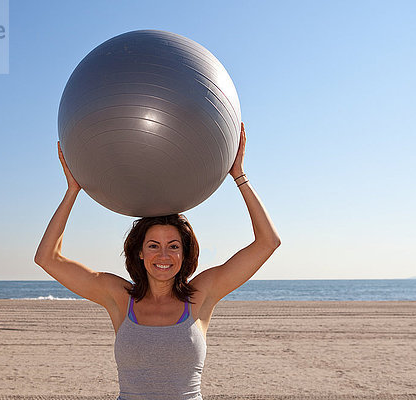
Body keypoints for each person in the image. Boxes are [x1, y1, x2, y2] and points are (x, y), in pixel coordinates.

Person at [34, 122, 280, 400]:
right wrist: (72, 191)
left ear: (184, 254)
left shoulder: (202, 294)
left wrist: (239, 176)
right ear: (139, 252)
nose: (163, 255)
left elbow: (267, 243)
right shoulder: (119, 297)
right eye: (153, 246)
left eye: (173, 246)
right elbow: (47, 257)